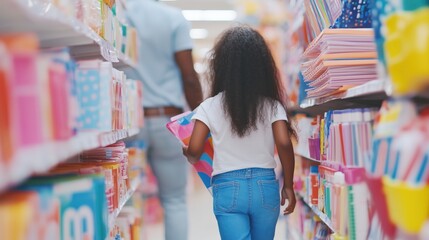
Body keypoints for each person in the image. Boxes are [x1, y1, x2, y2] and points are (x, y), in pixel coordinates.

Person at [183, 26, 297, 240]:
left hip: (227, 187)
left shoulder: (209, 107)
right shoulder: (272, 106)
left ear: (221, 66)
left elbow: (195, 150)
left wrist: (187, 152)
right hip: (265, 185)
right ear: (262, 66)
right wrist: (288, 185)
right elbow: (283, 143)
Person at [124, 1, 203, 240]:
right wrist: (201, 116)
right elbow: (189, 77)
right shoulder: (173, 18)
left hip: (128, 120)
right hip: (167, 122)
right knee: (174, 200)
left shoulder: (121, 12)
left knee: (125, 197)